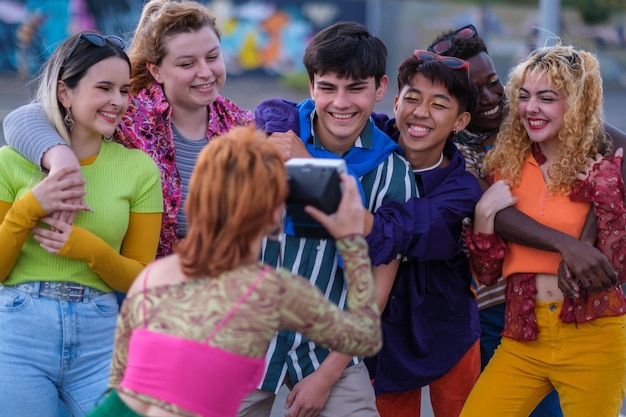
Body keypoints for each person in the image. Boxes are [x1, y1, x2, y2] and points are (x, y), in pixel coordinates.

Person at [86, 126, 383, 417]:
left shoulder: (154, 275)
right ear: (273, 215)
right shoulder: (270, 292)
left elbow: (119, 379)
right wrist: (350, 242)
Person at [248, 21, 416, 417]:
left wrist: (327, 376)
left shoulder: (392, 172)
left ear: (380, 88)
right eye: (328, 87)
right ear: (311, 87)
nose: (341, 102)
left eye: (356, 88)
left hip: (329, 349)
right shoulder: (267, 139)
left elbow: (376, 291)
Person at [3, 0, 253, 258]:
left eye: (212, 57)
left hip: (220, 276)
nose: (205, 72)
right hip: (143, 281)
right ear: (156, 71)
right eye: (187, 64)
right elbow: (22, 119)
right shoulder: (130, 113)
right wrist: (61, 158)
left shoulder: (240, 126)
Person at [0, 31, 163, 417]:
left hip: (102, 336)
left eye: (124, 90)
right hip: (18, 332)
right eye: (104, 88)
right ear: (64, 93)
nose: (118, 101)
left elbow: (140, 278)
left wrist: (86, 249)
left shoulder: (139, 170)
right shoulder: (9, 162)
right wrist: (29, 208)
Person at [461, 44, 626, 416]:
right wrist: (485, 221)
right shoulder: (503, 167)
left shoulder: (604, 169)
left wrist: (606, 190)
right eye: (524, 96)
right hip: (523, 335)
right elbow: (486, 274)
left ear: (577, 103)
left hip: (594, 335)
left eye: (546, 98)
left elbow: (616, 265)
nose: (530, 108)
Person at [362, 50, 483, 417]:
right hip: (380, 335)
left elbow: (396, 232)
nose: (420, 112)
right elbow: (285, 109)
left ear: (460, 120)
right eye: (412, 98)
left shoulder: (462, 188)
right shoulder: (368, 138)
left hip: (447, 325)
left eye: (439, 104)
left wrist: (334, 202)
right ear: (396, 101)